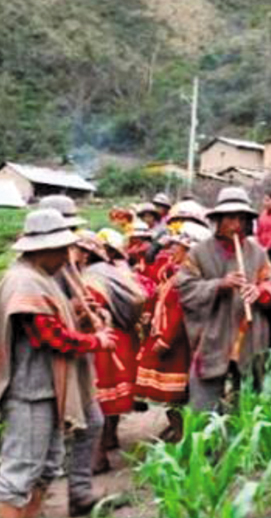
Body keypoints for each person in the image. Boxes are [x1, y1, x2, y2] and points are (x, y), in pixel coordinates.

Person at [0, 210, 116, 518]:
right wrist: (97, 342)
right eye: (62, 249)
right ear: (43, 249)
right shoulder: (24, 281)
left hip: (50, 392)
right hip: (31, 393)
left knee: (46, 468)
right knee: (19, 474)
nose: (67, 257)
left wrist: (77, 312)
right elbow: (50, 337)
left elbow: (54, 321)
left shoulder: (42, 277)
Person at [177, 187, 271, 411]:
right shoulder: (198, 253)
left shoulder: (257, 252)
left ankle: (242, 438)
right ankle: (203, 440)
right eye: (230, 218)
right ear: (219, 220)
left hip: (249, 335)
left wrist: (260, 292)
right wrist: (219, 285)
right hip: (214, 334)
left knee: (248, 395)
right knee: (204, 398)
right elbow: (184, 288)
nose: (236, 225)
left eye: (241, 219)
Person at [37, 196, 107, 515]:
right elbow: (49, 328)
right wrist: (77, 319)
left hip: (74, 362)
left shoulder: (69, 265)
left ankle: (79, 493)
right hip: (47, 368)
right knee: (43, 447)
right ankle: (33, 502)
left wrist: (89, 313)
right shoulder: (38, 274)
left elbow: (73, 315)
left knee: (92, 421)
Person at [136, 222, 211, 441]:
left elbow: (179, 312)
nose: (172, 250)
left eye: (177, 246)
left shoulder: (188, 278)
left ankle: (184, 439)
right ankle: (183, 435)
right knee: (177, 397)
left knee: (176, 397)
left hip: (178, 344)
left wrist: (165, 340)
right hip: (173, 339)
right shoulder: (178, 274)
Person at [77, 232, 146, 472]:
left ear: (85, 254)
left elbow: (89, 310)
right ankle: (109, 438)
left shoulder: (90, 279)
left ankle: (97, 457)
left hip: (103, 341)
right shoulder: (110, 271)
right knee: (110, 397)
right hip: (121, 338)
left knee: (95, 399)